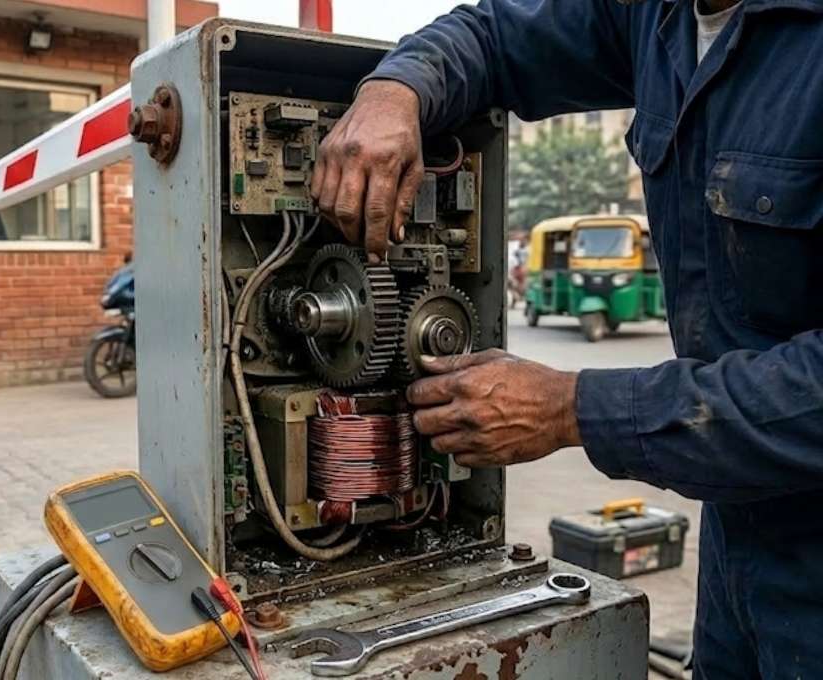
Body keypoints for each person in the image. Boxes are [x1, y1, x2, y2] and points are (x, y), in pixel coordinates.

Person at [312, 2, 822, 677]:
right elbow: (495, 33)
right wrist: (394, 89)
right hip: (740, 534)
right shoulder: (657, 17)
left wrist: (571, 408)